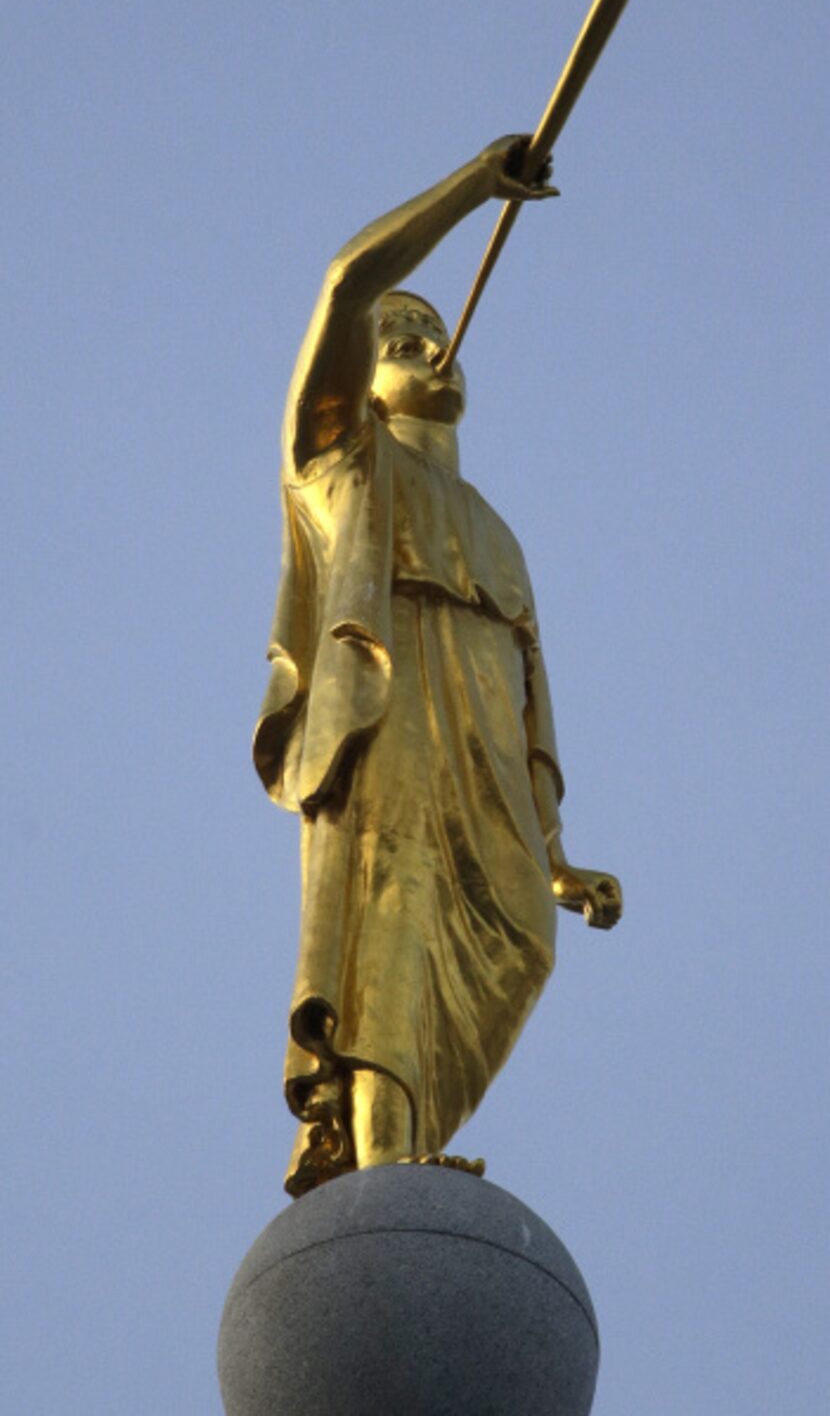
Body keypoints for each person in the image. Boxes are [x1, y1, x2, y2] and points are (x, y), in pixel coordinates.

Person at [254, 136, 622, 1198]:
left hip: (488, 784)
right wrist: (475, 183)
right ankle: (385, 1170)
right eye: (400, 337)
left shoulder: (498, 534)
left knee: (519, 942)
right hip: (387, 736)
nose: (427, 344)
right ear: (363, 381)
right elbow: (344, 282)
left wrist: (552, 856)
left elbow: (525, 701)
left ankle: (398, 1156)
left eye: (432, 333)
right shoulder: (336, 463)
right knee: (396, 925)